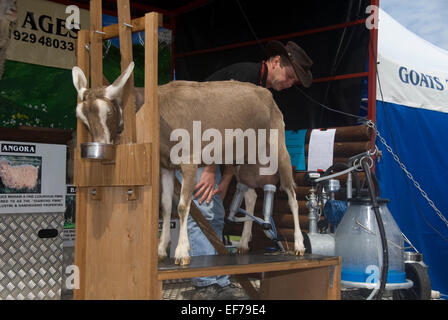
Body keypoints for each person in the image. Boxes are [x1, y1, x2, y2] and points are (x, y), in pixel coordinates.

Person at [177, 40, 313, 300]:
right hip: (188, 144)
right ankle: (205, 285)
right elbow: (213, 122)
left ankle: (216, 279)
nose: (289, 83)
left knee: (214, 215)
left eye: (294, 81)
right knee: (203, 211)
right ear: (275, 62)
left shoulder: (260, 90)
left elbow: (233, 138)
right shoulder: (245, 77)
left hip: (208, 150)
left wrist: (227, 177)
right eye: (289, 75)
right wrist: (208, 169)